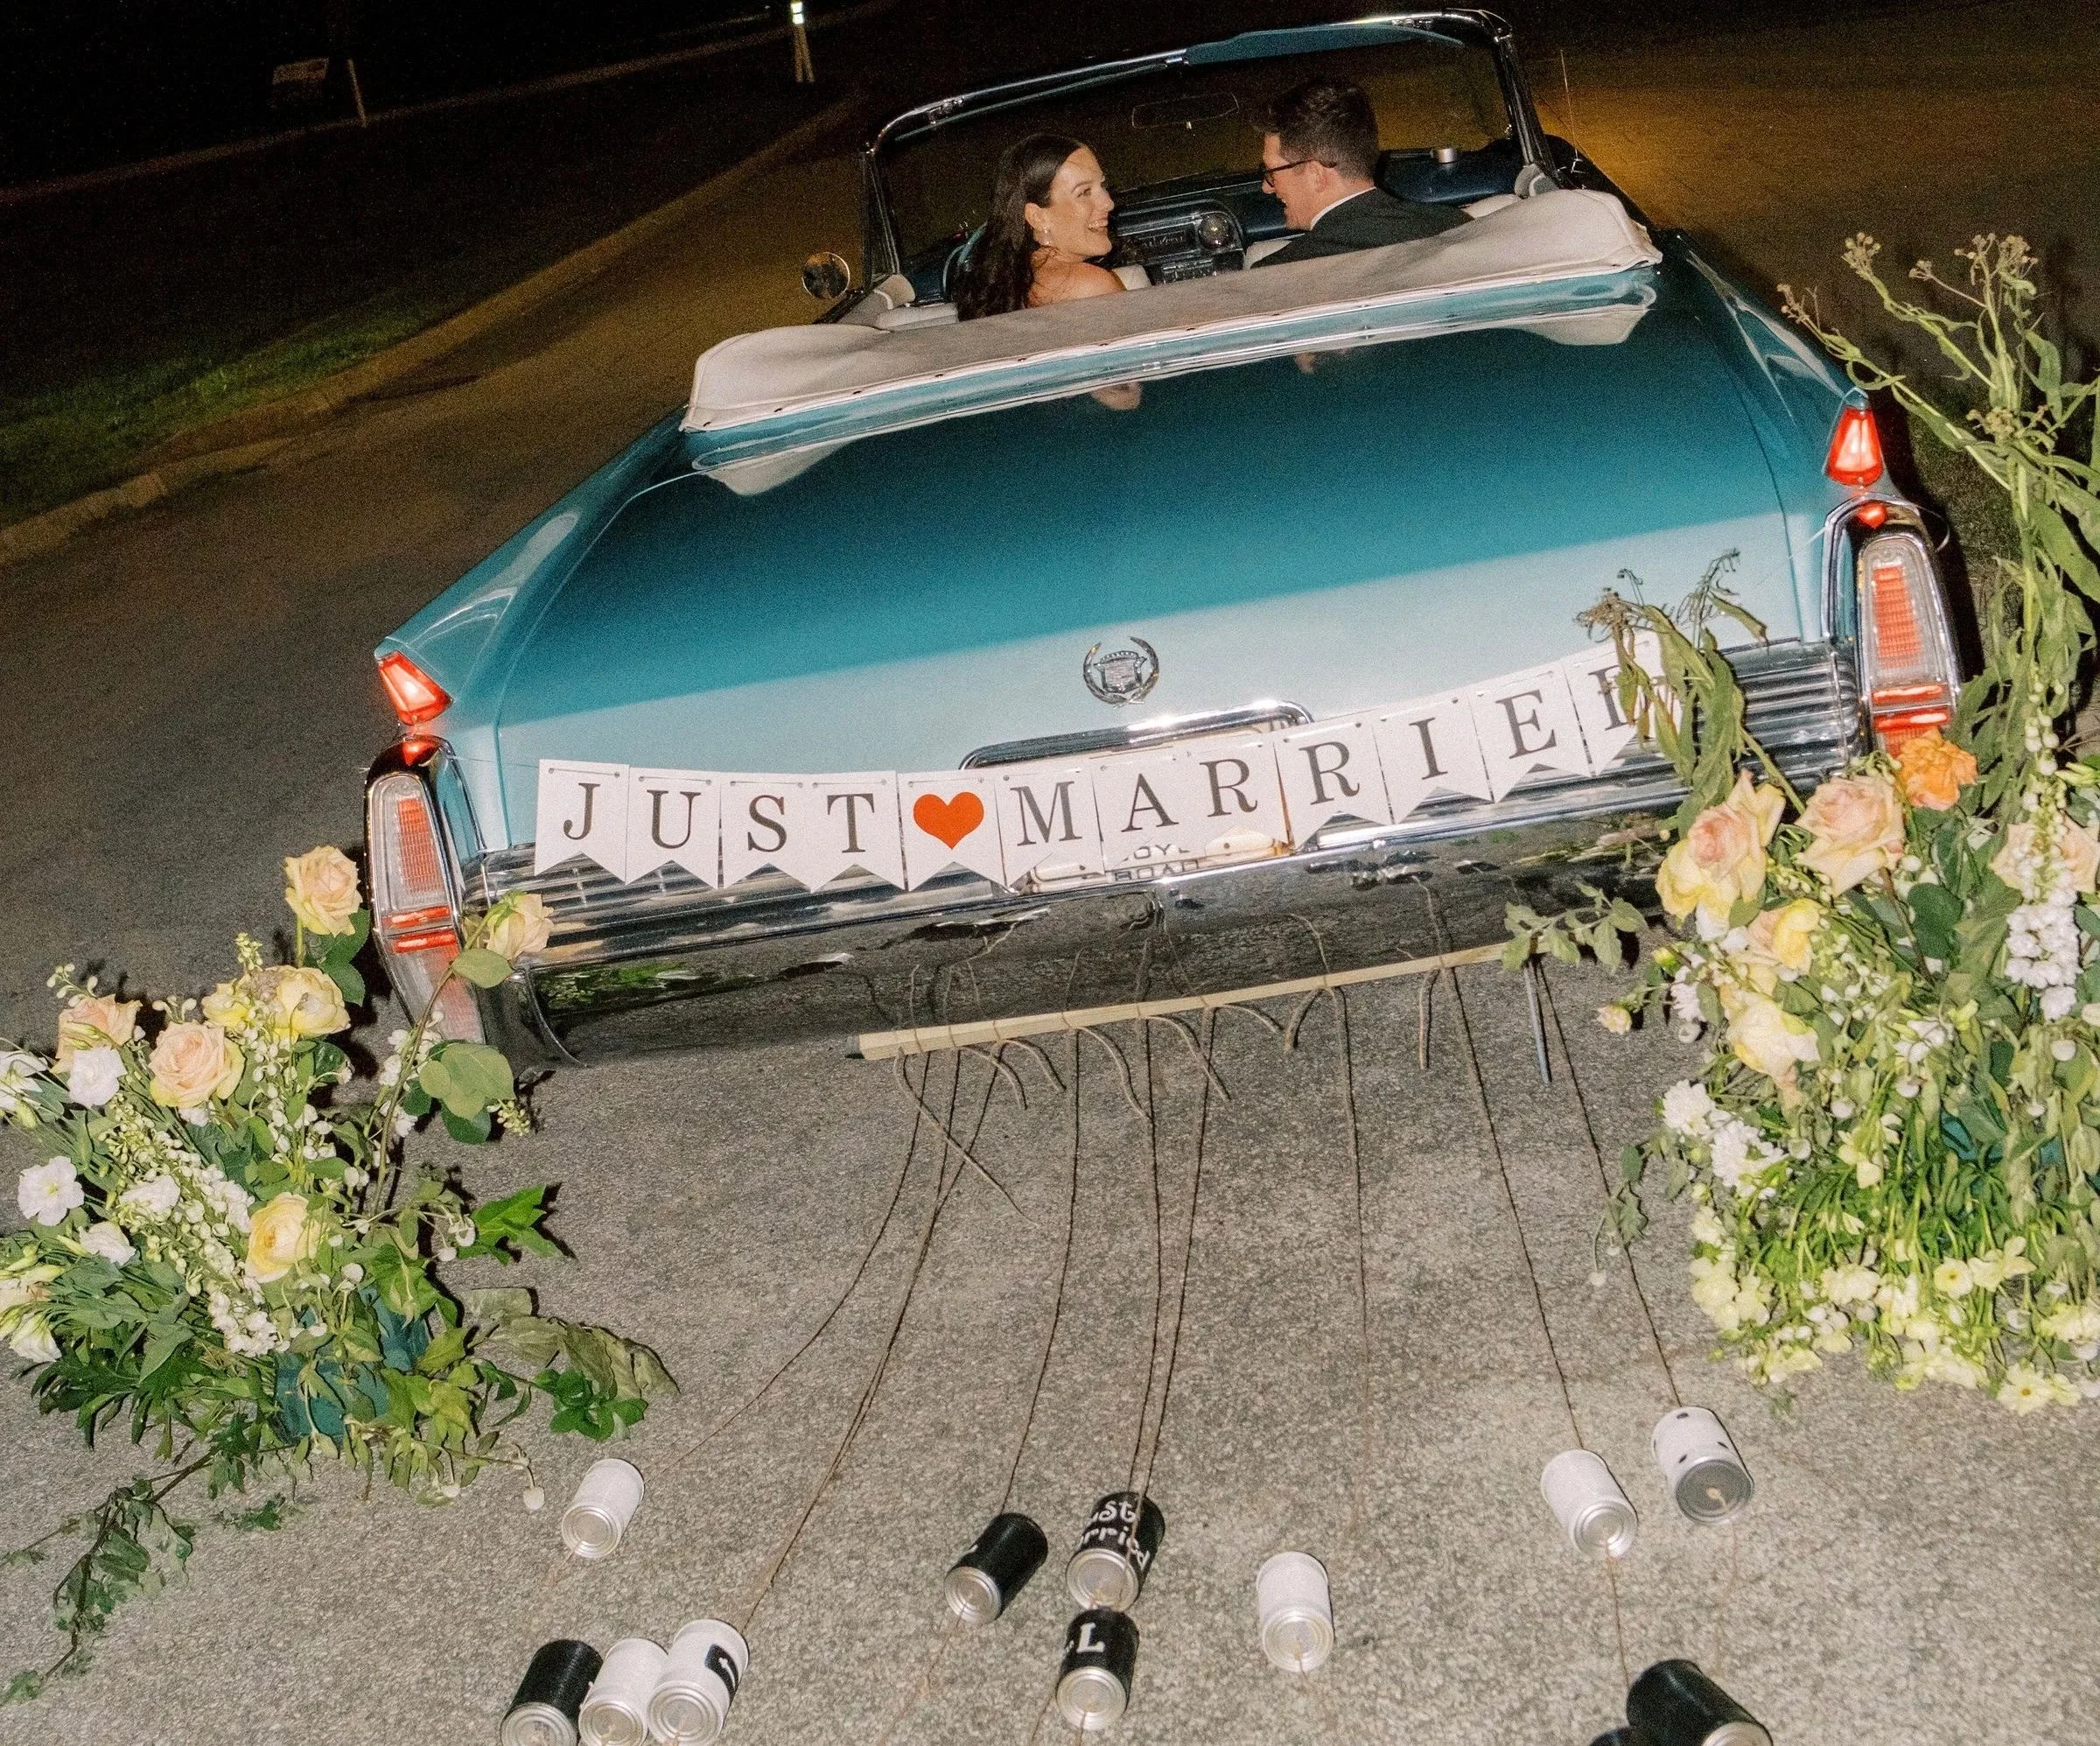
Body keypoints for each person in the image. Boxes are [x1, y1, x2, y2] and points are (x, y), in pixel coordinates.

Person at [1253, 76, 1467, 267]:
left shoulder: (1280, 273)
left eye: (1272, 172)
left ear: (1316, 175)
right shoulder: (1455, 226)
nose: (1266, 188)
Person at [955, 133, 1124, 319]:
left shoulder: (1014, 286)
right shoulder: (1090, 285)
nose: (1108, 203)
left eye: (1102, 185)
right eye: (1084, 193)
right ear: (1038, 217)